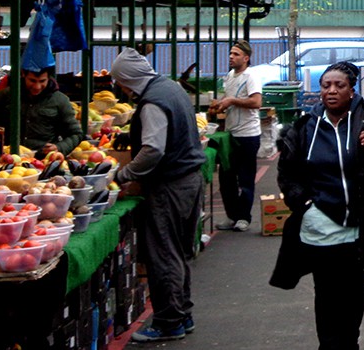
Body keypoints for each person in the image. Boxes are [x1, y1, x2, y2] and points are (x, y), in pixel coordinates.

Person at [270, 61, 364, 350]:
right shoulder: (306, 127)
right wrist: (305, 204)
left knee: (352, 303)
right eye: (325, 86)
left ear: (352, 90)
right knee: (327, 300)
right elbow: (287, 172)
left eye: (339, 86)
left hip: (358, 232)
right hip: (319, 231)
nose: (331, 91)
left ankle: (348, 345)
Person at [110, 47, 206, 343]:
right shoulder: (169, 87)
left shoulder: (152, 102)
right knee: (177, 251)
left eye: (121, 82)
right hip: (190, 180)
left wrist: (123, 175)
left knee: (163, 254)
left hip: (170, 187)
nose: (122, 89)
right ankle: (182, 314)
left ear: (128, 79)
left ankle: (169, 322)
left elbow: (153, 149)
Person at [209, 40, 262, 232]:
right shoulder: (230, 76)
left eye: (236, 54)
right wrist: (220, 104)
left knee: (245, 178)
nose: (231, 57)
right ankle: (231, 215)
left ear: (246, 58)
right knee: (226, 177)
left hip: (248, 135)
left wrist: (231, 101)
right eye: (231, 53)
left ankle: (243, 217)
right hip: (231, 133)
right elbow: (228, 101)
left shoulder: (251, 76)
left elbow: (256, 102)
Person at [0, 67, 83, 157]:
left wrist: (59, 147)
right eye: (32, 81)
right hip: (7, 157)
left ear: (49, 78)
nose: (37, 86)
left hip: (43, 158)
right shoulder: (6, 96)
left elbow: (75, 134)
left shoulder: (60, 100)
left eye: (42, 81)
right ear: (24, 76)